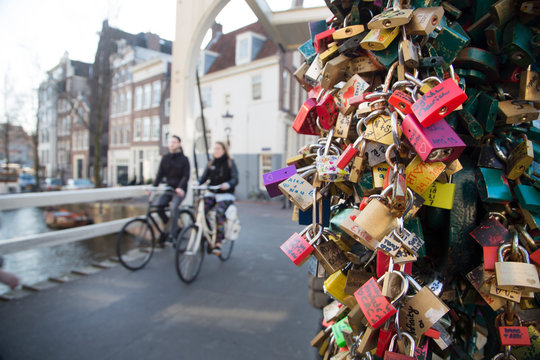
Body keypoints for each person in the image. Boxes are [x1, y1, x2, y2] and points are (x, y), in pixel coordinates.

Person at [198, 142, 238, 255]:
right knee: (202, 209)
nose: (215, 151)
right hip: (212, 193)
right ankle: (209, 233)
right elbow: (204, 177)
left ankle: (218, 242)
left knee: (219, 213)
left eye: (218, 148)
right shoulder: (211, 163)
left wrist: (229, 184)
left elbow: (235, 178)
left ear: (224, 150)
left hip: (225, 195)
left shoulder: (230, 162)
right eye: (214, 148)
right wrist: (198, 182)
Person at [152, 135, 190, 243]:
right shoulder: (165, 158)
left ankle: (172, 235)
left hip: (179, 190)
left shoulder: (184, 160)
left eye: (174, 142)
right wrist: (153, 188)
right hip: (169, 189)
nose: (171, 144)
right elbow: (159, 175)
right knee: (158, 206)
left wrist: (180, 188)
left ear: (179, 144)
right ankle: (170, 225)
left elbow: (186, 176)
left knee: (174, 207)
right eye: (170, 142)